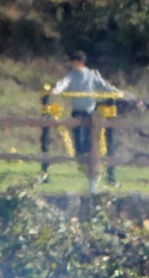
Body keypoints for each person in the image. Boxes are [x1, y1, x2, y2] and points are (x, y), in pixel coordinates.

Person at [51, 50, 122, 191]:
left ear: (80, 62)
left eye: (73, 61)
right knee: (79, 144)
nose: (71, 64)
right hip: (77, 113)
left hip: (90, 114)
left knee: (93, 144)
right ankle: (85, 166)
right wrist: (56, 90)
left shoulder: (90, 75)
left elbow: (103, 84)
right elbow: (64, 83)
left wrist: (115, 92)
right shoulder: (71, 75)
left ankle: (96, 176)